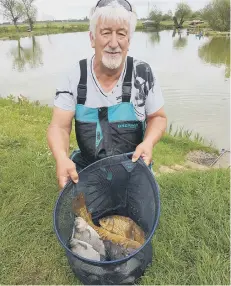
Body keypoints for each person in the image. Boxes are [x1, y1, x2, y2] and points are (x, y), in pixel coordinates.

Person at [47, 0, 167, 189]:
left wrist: (149, 143)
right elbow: (59, 127)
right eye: (105, 33)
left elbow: (158, 117)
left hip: (134, 167)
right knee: (86, 217)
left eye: (121, 34)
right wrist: (61, 158)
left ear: (129, 40)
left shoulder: (143, 73)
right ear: (92, 38)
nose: (113, 43)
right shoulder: (74, 76)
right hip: (88, 168)